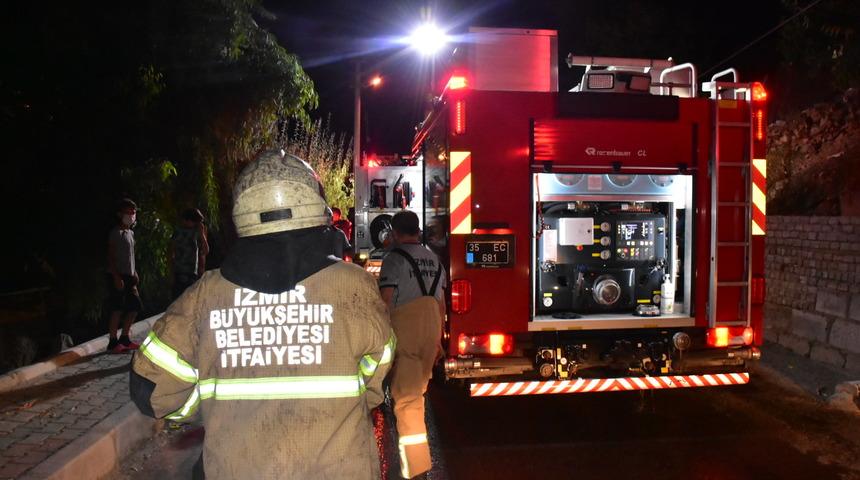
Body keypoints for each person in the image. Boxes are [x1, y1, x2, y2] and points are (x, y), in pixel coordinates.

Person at [130, 150, 395, 479]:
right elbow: (379, 364)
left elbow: (149, 387)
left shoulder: (205, 294)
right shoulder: (353, 287)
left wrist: (209, 405)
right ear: (317, 208)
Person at [378, 210, 446, 479]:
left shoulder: (393, 260)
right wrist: (438, 339)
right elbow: (440, 304)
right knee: (417, 394)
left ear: (394, 233)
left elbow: (385, 300)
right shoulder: (434, 259)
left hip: (405, 331)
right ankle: (417, 464)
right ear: (417, 230)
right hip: (430, 331)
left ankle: (417, 470)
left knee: (407, 402)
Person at [106, 198, 142, 353]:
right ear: (120, 214)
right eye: (128, 212)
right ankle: (113, 342)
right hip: (118, 275)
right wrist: (116, 277)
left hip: (129, 276)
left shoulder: (130, 233)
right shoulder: (116, 233)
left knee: (135, 307)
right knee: (117, 309)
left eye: (133, 213)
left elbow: (131, 255)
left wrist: (134, 272)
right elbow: (111, 256)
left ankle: (125, 338)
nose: (131, 215)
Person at [170, 208, 209, 299]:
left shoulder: (198, 233)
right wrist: (171, 273)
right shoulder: (178, 232)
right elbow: (171, 252)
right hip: (179, 271)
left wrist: (202, 234)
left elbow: (205, 251)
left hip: (192, 273)